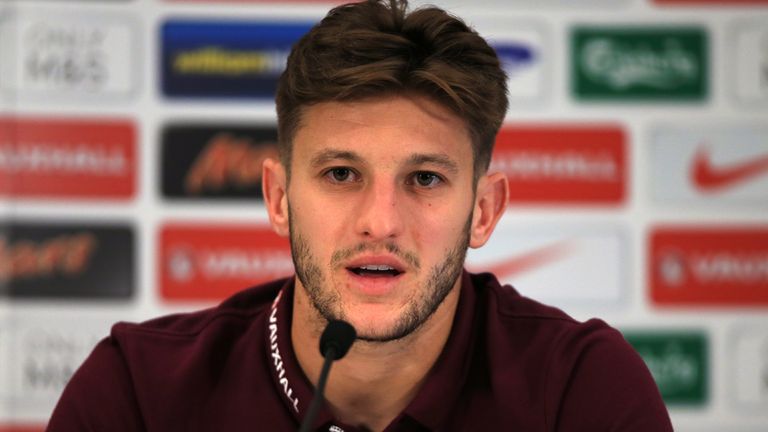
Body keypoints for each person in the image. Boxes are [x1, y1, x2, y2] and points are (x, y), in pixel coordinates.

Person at [48, 1, 673, 431]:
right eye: (341, 174)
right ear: (278, 198)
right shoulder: (138, 394)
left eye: (424, 179)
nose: (381, 221)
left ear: (483, 212)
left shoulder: (582, 393)